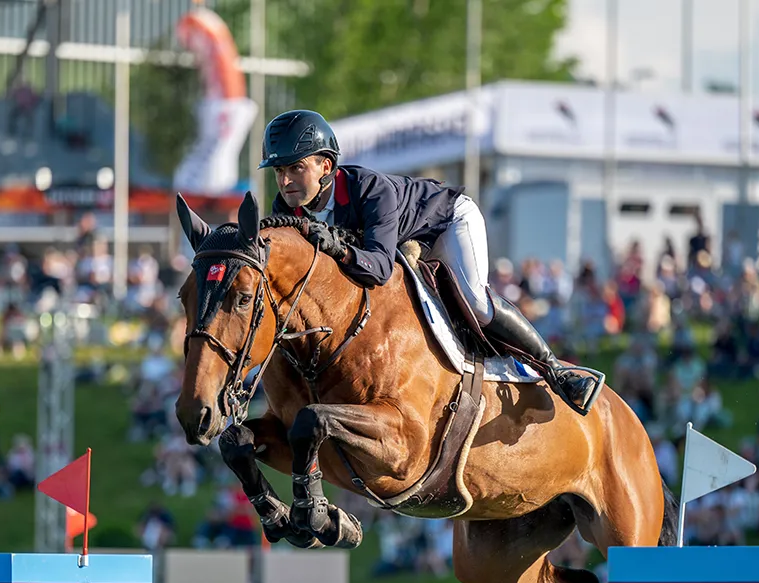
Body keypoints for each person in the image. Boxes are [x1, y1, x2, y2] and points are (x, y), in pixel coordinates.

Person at [257, 109, 601, 415]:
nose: (285, 181)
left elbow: (377, 268)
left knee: (476, 303)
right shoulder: (286, 208)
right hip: (401, 245)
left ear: (326, 166)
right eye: (279, 171)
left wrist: (338, 250)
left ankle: (557, 372)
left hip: (446, 224)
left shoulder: (371, 190)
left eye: (296, 168)